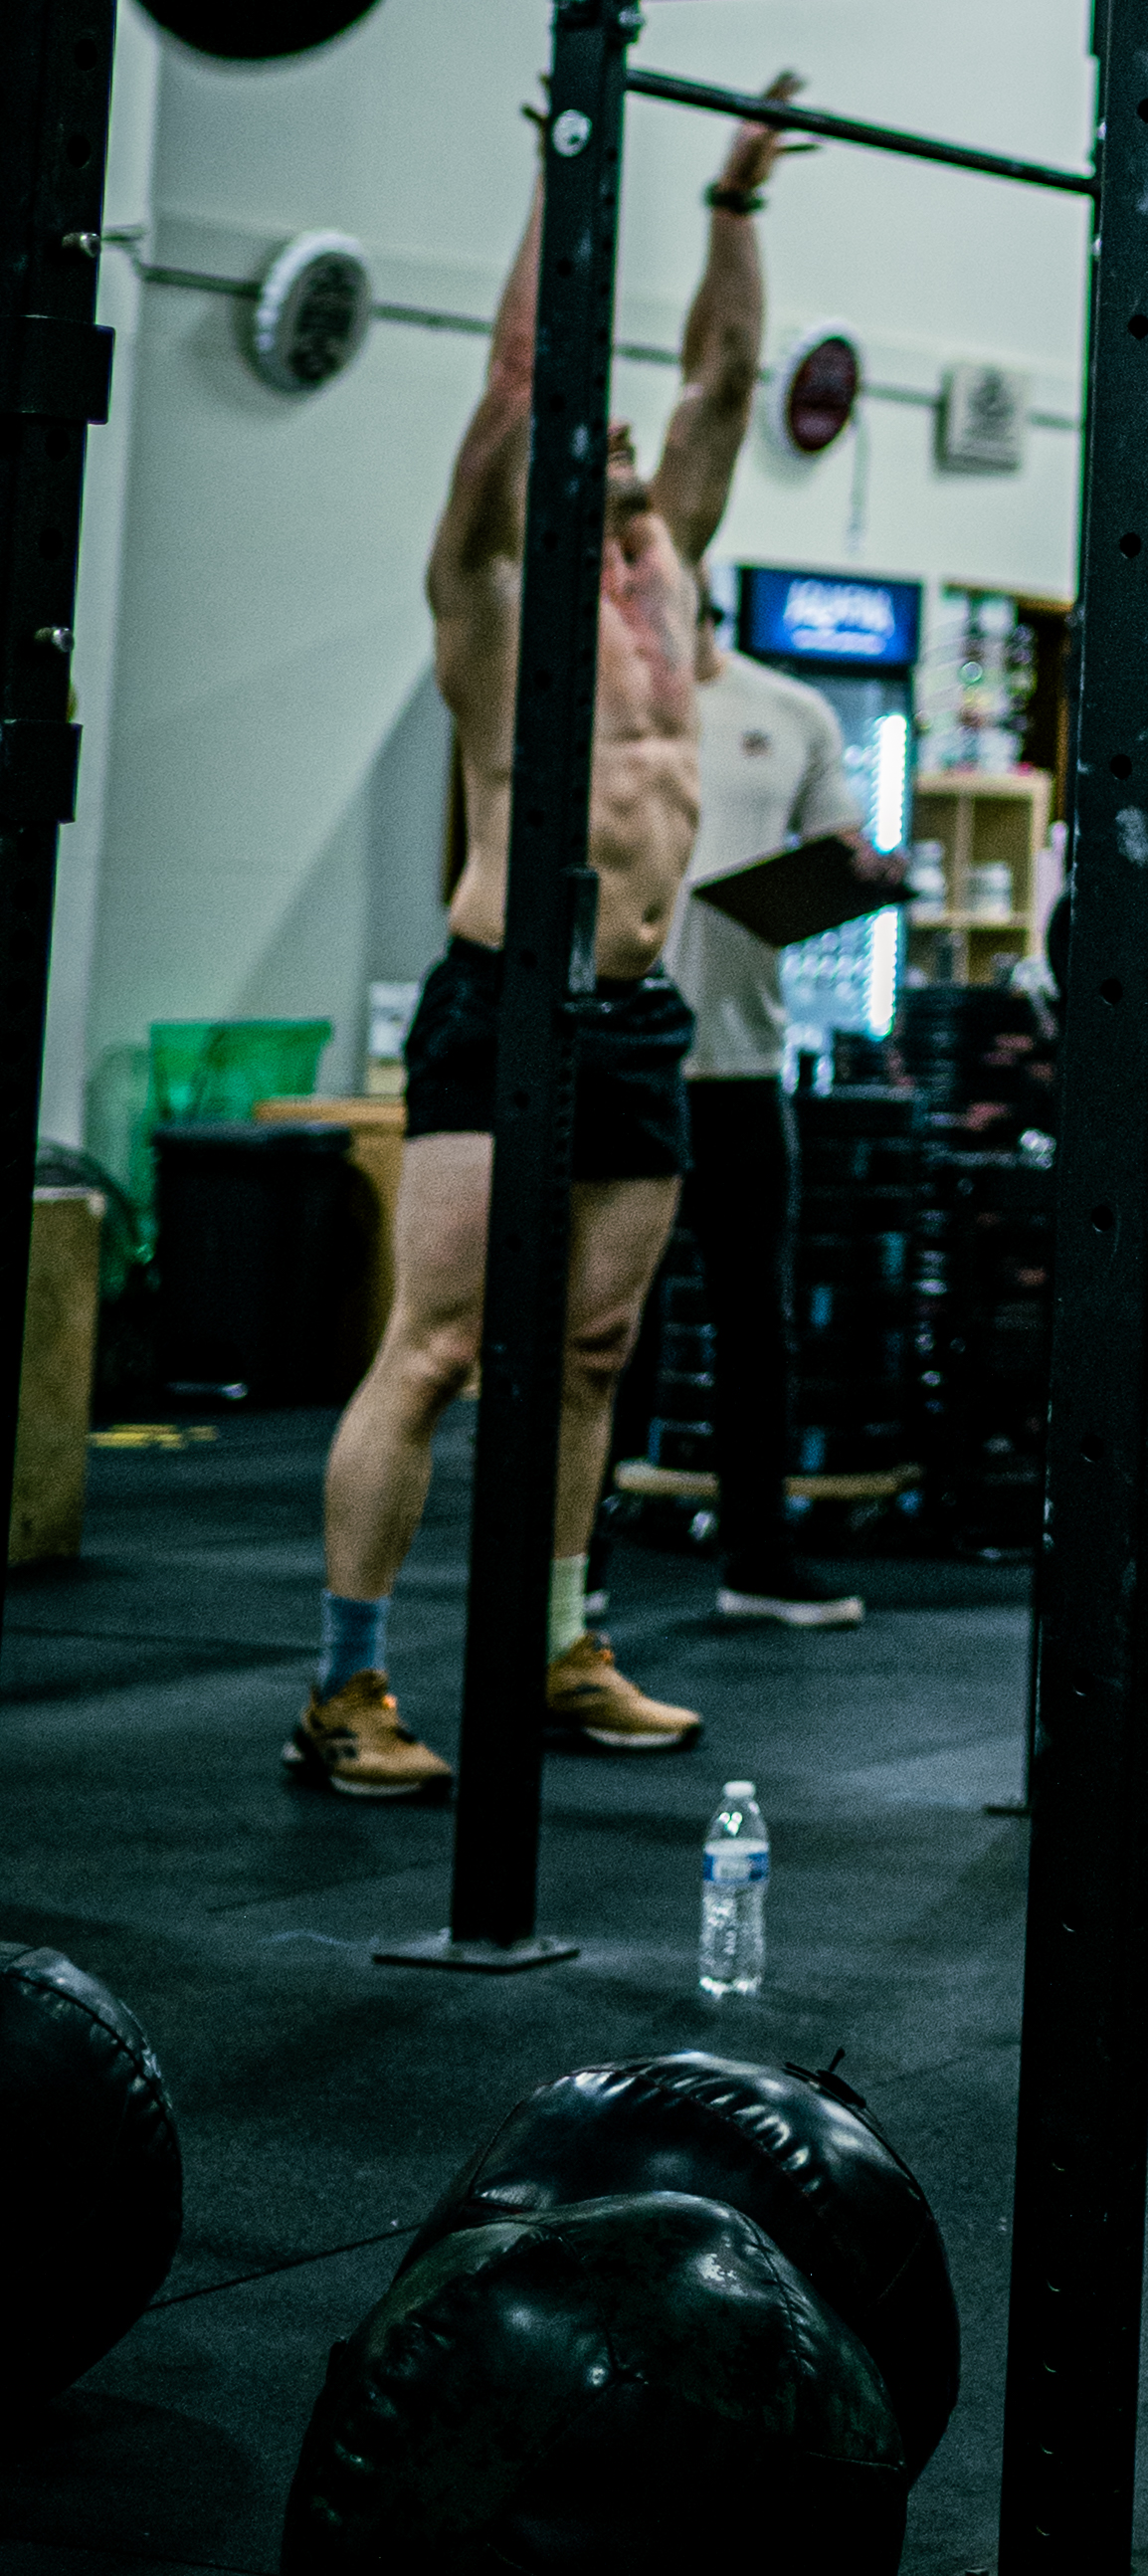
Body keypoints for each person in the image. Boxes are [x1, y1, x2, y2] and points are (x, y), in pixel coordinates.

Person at [289, 98, 801, 1801]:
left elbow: (728, 373)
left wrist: (730, 201)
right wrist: (561, 168)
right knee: (438, 1348)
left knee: (592, 1351)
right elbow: (516, 383)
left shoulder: (672, 580)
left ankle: (558, 1644)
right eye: (603, 436)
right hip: (504, 1002)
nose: (636, 445)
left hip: (639, 1015)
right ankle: (344, 1684)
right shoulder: (495, 594)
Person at [605, 581, 898, 1633]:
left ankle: (758, 1561)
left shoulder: (792, 710)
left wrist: (869, 872)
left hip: (741, 1065)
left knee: (754, 1327)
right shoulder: (608, 703)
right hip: (624, 1060)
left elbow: (841, 849)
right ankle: (571, 1570)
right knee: (608, 1328)